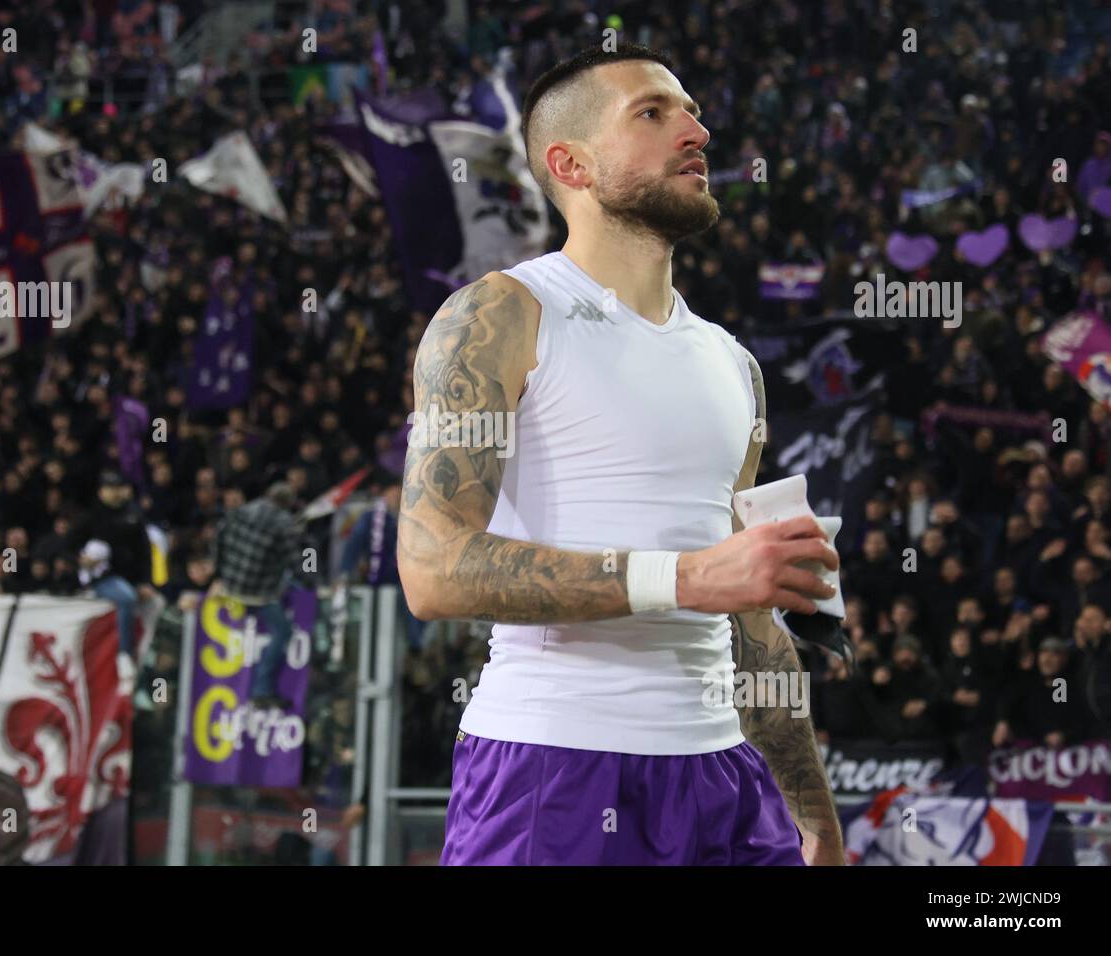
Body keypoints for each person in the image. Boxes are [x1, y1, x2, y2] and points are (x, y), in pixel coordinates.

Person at [399, 45, 845, 866]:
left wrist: (812, 815)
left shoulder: (733, 364)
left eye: (692, 110)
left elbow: (752, 616)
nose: (697, 130)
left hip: (729, 785)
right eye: (653, 112)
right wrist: (689, 578)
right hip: (554, 770)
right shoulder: (499, 316)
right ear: (571, 163)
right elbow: (432, 567)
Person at [212, 482, 306, 710]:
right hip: (259, 593)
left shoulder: (242, 510)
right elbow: (295, 559)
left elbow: (219, 539)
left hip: (230, 585)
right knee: (283, 630)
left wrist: (219, 573)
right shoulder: (284, 523)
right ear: (287, 504)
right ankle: (262, 688)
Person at [69, 470, 155, 669]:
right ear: (101, 492)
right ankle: (124, 655)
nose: (115, 493)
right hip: (104, 578)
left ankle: (150, 657)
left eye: (118, 488)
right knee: (127, 598)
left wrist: (146, 582)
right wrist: (80, 560)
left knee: (156, 603)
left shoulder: (133, 514)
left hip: (132, 579)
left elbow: (145, 553)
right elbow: (67, 547)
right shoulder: (91, 517)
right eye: (110, 489)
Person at [339, 476, 426, 651]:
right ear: (385, 494)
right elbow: (354, 544)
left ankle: (416, 644)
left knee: (423, 605)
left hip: (402, 578)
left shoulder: (409, 518)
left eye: (400, 494)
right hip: (376, 578)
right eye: (394, 493)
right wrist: (345, 573)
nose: (397, 497)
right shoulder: (370, 517)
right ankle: (414, 645)